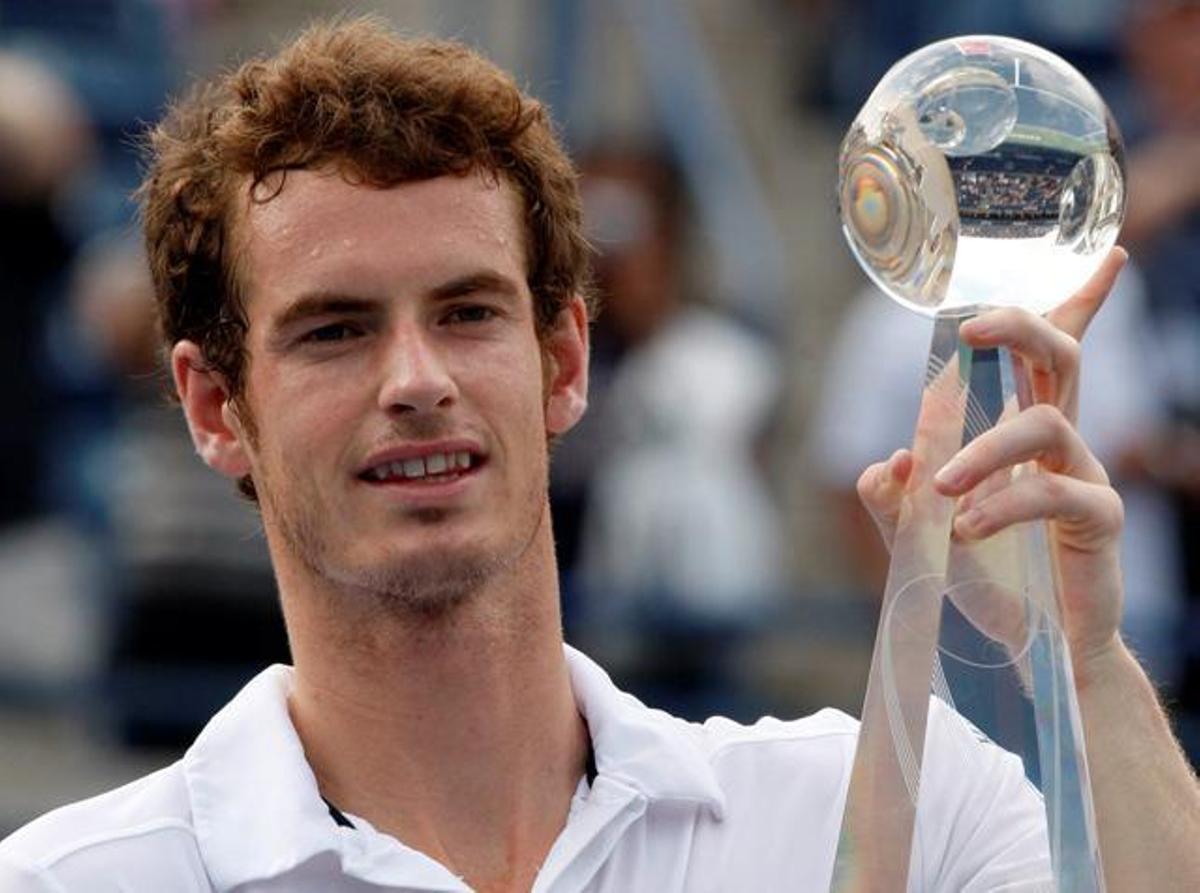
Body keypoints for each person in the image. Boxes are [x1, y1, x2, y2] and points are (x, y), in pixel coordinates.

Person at [1, 17, 1197, 892]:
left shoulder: (885, 802)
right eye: (335, 330)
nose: (417, 380)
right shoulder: (79, 879)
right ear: (215, 406)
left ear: (566, 358)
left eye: (469, 312)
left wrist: (1080, 660)